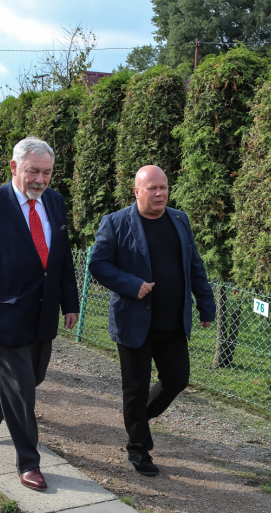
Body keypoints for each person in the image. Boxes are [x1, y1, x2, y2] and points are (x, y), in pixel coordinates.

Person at [0, 137, 79, 491]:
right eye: (33, 172)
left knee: (34, 377)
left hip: (43, 312)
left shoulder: (54, 201)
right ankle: (29, 461)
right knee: (23, 391)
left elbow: (62, 256)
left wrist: (69, 301)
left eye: (47, 172)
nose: (40, 180)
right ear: (14, 168)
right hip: (5, 314)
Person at [88, 166, 216, 476]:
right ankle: (139, 448)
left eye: (164, 187)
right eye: (152, 189)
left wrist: (206, 304)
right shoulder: (116, 223)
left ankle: (137, 419)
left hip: (172, 322)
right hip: (134, 322)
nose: (160, 193)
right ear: (136, 191)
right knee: (135, 386)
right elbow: (99, 265)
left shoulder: (178, 220)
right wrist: (132, 285)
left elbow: (194, 265)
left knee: (177, 379)